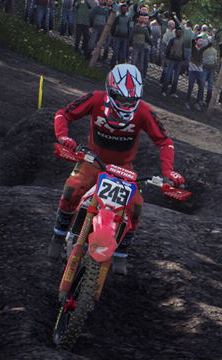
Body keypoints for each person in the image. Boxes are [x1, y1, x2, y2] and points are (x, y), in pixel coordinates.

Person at [49, 64, 184, 276]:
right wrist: (63, 137)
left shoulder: (143, 111)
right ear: (111, 92)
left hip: (122, 168)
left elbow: (164, 141)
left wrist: (168, 171)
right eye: (121, 99)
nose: (126, 104)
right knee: (72, 189)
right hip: (93, 160)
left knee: (136, 206)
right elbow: (63, 114)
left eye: (131, 100)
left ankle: (121, 253)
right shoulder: (95, 99)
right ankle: (58, 236)